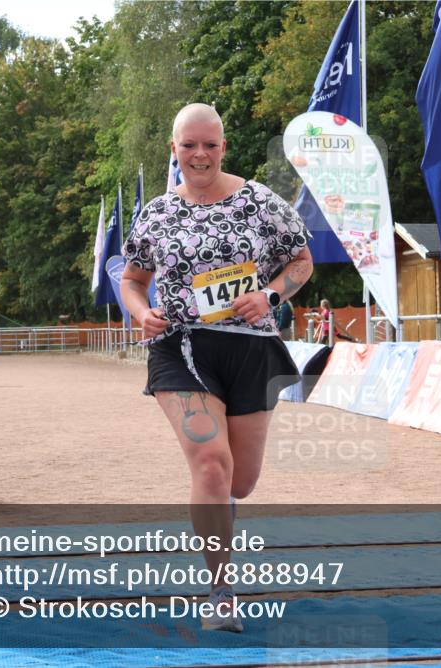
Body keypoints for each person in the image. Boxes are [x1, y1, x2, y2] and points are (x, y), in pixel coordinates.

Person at [120, 103, 312, 633]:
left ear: (223, 147)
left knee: (241, 481)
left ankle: (222, 519)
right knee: (210, 462)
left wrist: (270, 296)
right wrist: (142, 313)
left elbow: (301, 261)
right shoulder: (157, 213)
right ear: (174, 149)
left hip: (250, 348)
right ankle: (221, 593)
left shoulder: (260, 203)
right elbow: (132, 278)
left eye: (209, 144)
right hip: (180, 348)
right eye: (189, 145)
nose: (199, 154)